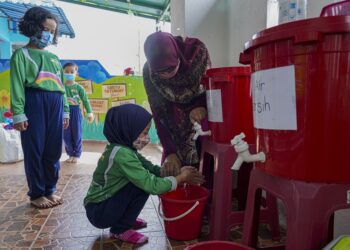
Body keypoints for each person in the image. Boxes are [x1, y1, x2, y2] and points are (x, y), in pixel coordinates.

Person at [84, 104, 204, 245]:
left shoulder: (122, 148)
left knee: (139, 181)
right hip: (99, 212)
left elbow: (149, 167)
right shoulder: (122, 155)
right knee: (141, 185)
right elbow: (151, 185)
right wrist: (181, 178)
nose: (147, 138)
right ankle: (120, 229)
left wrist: (172, 171)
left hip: (101, 206)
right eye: (144, 132)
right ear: (128, 129)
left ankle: (125, 218)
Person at [10, 7, 70, 209]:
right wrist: (18, 114)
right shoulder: (21, 54)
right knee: (34, 149)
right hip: (34, 102)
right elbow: (17, 85)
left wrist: (66, 110)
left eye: (52, 31)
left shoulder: (54, 59)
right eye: (46, 29)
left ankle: (50, 189)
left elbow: (62, 89)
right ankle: (36, 193)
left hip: (55, 104)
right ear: (33, 26)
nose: (49, 34)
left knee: (53, 149)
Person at [143, 31, 210, 176]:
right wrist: (169, 151)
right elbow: (158, 113)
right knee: (172, 175)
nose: (167, 75)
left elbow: (211, 90)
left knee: (205, 175)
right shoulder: (149, 72)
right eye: (160, 72)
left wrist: (201, 106)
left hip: (202, 126)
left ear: (178, 56)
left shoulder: (198, 53)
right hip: (173, 131)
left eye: (171, 68)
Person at [63, 62, 94, 163]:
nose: (69, 73)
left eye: (72, 71)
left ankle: (77, 154)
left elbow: (85, 100)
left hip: (76, 111)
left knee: (77, 133)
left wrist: (89, 113)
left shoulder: (79, 88)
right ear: (63, 73)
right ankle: (70, 153)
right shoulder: (61, 87)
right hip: (64, 112)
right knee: (66, 134)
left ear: (76, 73)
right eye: (67, 71)